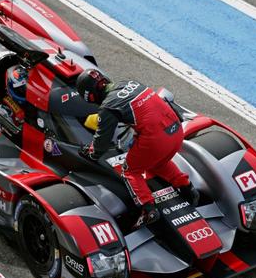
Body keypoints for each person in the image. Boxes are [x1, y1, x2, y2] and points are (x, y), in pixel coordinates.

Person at [76, 68, 200, 228]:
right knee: (157, 162)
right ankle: (187, 188)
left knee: (129, 170)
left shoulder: (108, 106)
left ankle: (148, 208)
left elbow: (102, 141)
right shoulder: (129, 82)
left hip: (156, 140)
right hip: (176, 132)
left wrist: (91, 153)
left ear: (90, 96)